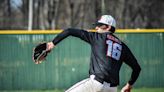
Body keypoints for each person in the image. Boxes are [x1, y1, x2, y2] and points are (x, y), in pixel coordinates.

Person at [46, 15, 141, 92]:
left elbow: (69, 31)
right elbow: (137, 68)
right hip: (112, 89)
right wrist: (129, 85)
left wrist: (52, 43)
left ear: (108, 27)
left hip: (96, 84)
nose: (96, 27)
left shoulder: (97, 37)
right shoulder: (122, 46)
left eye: (100, 25)